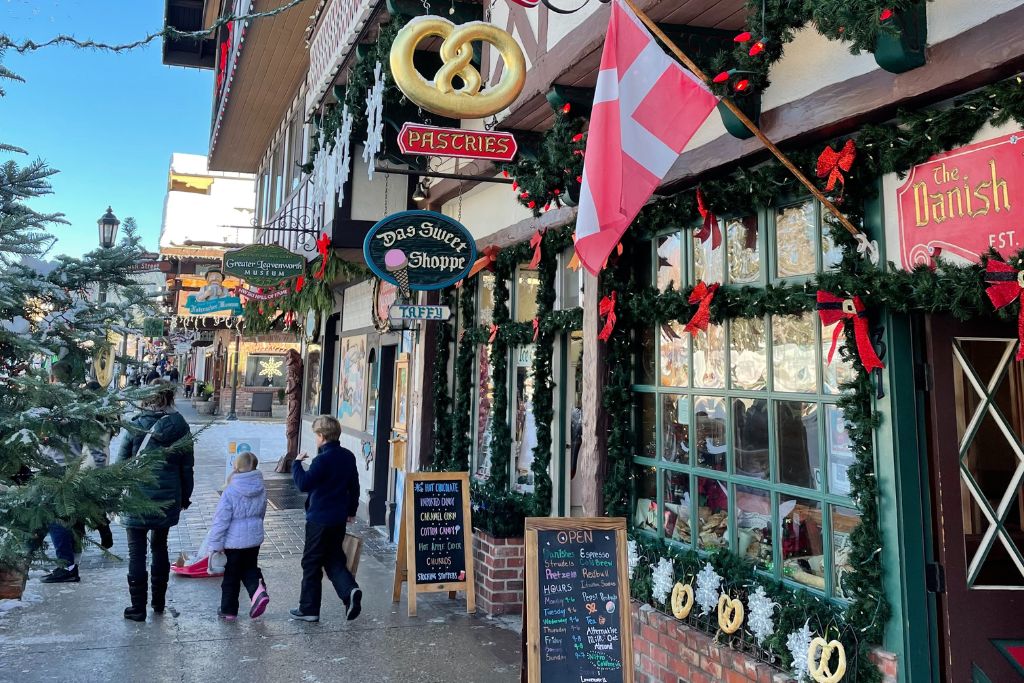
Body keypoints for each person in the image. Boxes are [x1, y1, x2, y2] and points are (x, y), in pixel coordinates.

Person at [118, 379, 195, 622]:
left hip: (136, 497)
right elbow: (187, 468)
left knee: (136, 552)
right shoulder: (180, 426)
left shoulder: (136, 425)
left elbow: (121, 464)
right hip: (167, 497)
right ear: (170, 397)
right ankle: (159, 602)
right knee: (160, 546)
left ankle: (137, 608)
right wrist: (185, 496)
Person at [289, 415, 362, 623]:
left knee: (311, 562)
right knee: (333, 559)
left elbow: (303, 484)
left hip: (319, 519)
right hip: (338, 518)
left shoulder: (321, 460)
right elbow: (354, 486)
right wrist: (351, 510)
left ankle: (309, 608)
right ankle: (350, 591)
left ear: (321, 436)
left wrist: (296, 463)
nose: (315, 439)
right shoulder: (348, 456)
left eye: (316, 435)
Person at [206, 452, 270, 621]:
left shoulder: (230, 491)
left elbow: (221, 520)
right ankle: (258, 591)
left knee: (231, 576)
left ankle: (228, 610)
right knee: (250, 568)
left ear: (235, 467)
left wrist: (215, 544)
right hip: (254, 540)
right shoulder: (261, 488)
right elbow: (262, 512)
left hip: (234, 542)